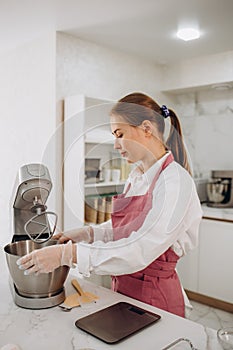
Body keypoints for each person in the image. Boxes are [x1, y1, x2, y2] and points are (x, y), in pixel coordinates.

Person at [17, 92, 202, 318]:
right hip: (124, 290)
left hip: (155, 298)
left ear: (146, 129)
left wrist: (66, 254)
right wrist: (87, 233)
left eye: (119, 134)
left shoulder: (175, 182)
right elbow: (124, 229)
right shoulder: (137, 176)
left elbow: (139, 248)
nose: (115, 145)